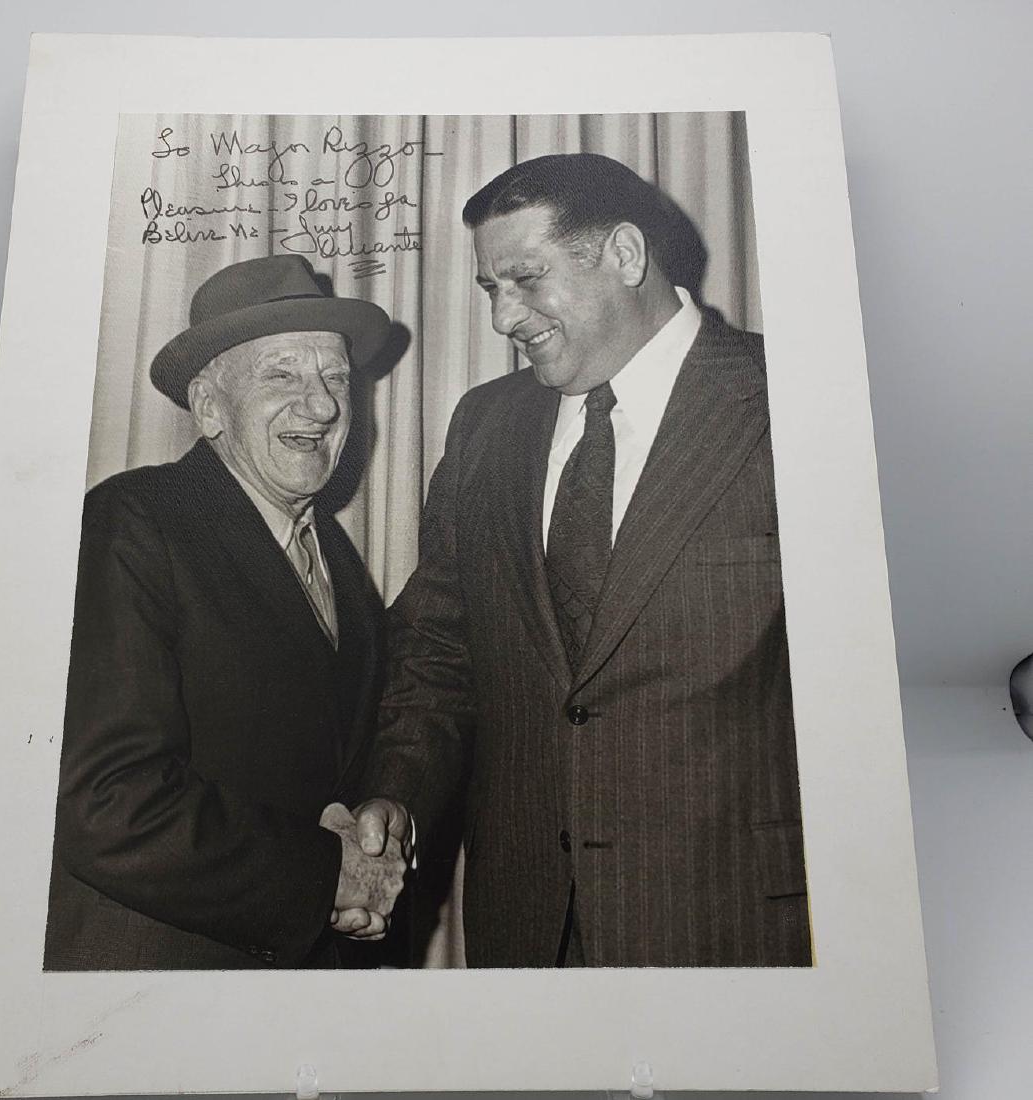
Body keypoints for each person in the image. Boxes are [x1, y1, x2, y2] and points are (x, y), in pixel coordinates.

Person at [351, 153, 812, 968]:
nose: (503, 318)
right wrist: (397, 794)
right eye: (492, 289)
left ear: (626, 255)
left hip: (739, 924)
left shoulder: (799, 401)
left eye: (525, 279)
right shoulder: (485, 425)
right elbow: (439, 651)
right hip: (526, 928)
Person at [43, 255, 405, 970]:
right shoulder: (135, 521)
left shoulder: (331, 552)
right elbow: (105, 801)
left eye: (335, 376)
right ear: (209, 407)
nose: (324, 405)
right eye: (283, 374)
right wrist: (325, 876)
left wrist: (368, 831)